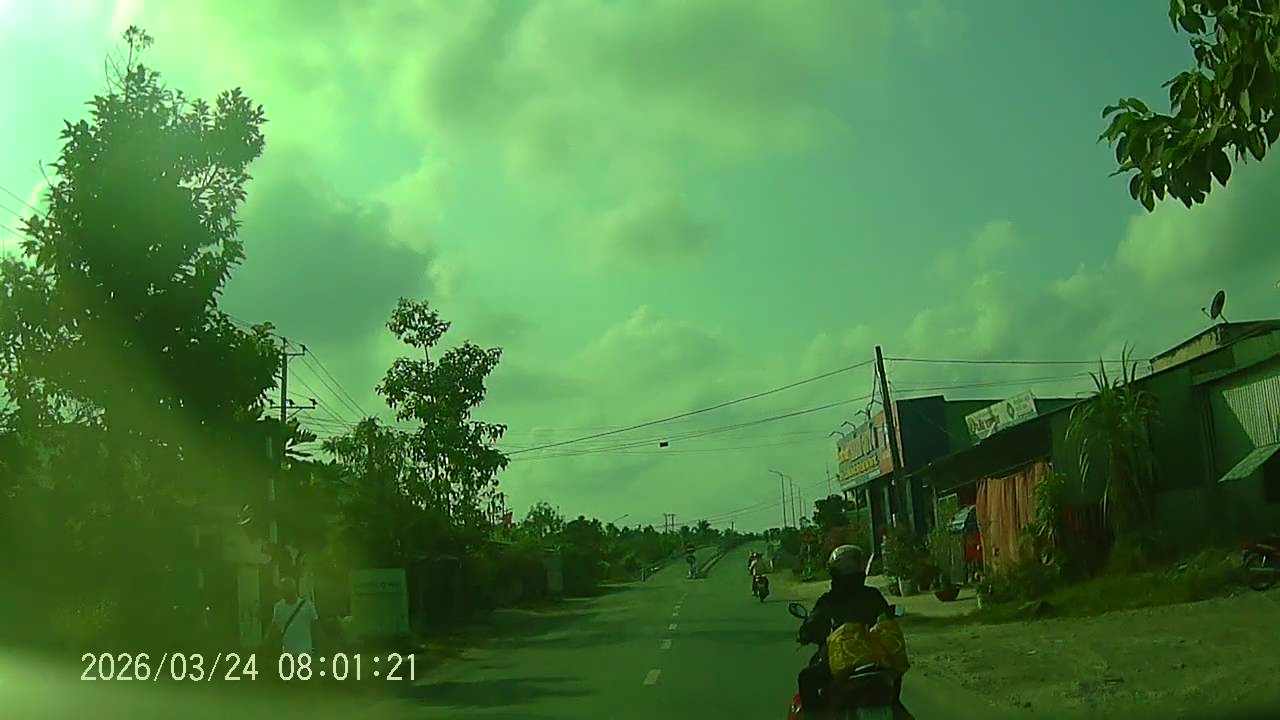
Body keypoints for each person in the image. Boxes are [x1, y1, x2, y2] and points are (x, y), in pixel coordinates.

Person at [796, 544, 900, 715]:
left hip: (841, 662)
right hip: (875, 660)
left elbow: (811, 625)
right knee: (894, 676)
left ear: (834, 572)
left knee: (806, 678)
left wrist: (805, 634)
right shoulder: (873, 595)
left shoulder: (828, 600)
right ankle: (895, 705)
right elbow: (887, 620)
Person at [269, 576, 319, 657]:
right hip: (288, 653)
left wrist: (318, 647)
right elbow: (275, 627)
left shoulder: (307, 605)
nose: (285, 592)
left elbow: (315, 627)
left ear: (294, 589)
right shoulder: (278, 607)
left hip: (305, 652)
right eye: (283, 590)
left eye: (287, 589)